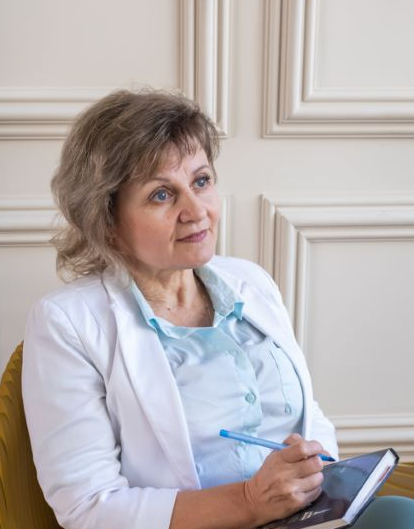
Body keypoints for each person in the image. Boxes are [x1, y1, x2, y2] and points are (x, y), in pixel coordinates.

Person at [22, 89, 414, 529]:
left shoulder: (251, 281)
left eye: (201, 181)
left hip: (305, 520)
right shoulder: (66, 323)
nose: (196, 211)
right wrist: (251, 501)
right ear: (107, 221)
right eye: (161, 195)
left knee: (400, 514)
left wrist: (313, 465)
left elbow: (308, 415)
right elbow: (89, 506)